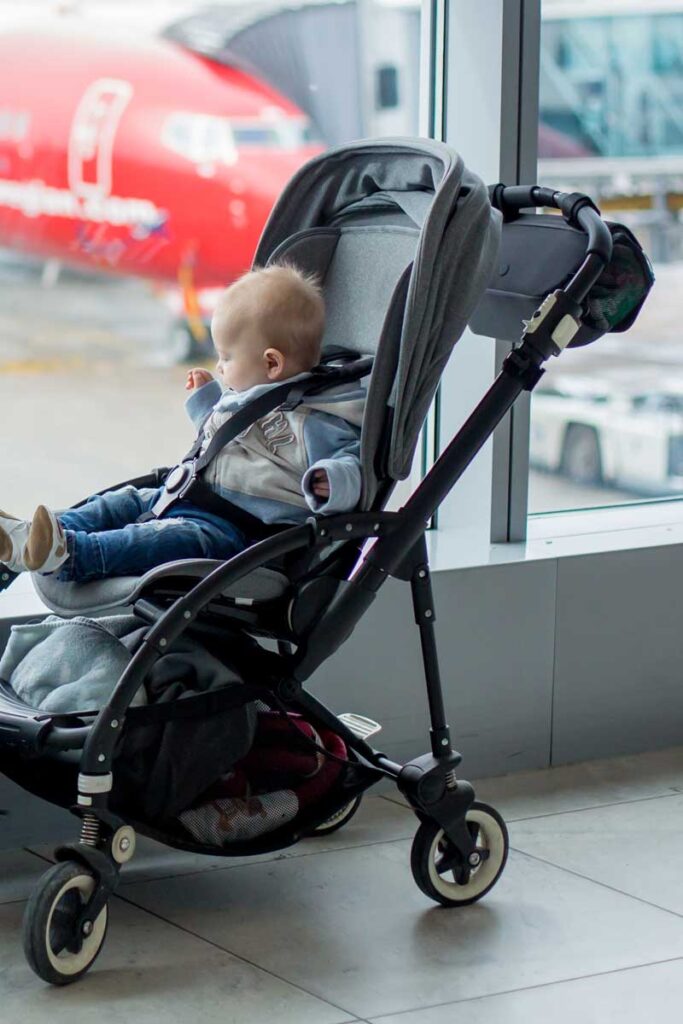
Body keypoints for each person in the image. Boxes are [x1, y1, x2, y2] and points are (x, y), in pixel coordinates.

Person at [0, 264, 365, 582]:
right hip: (185, 493)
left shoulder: (316, 420)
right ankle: (33, 540)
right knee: (118, 504)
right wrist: (208, 400)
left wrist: (329, 481)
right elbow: (225, 440)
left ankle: (70, 556)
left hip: (233, 531)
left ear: (272, 364)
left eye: (226, 357)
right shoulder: (249, 395)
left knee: (156, 540)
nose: (221, 367)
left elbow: (352, 463)